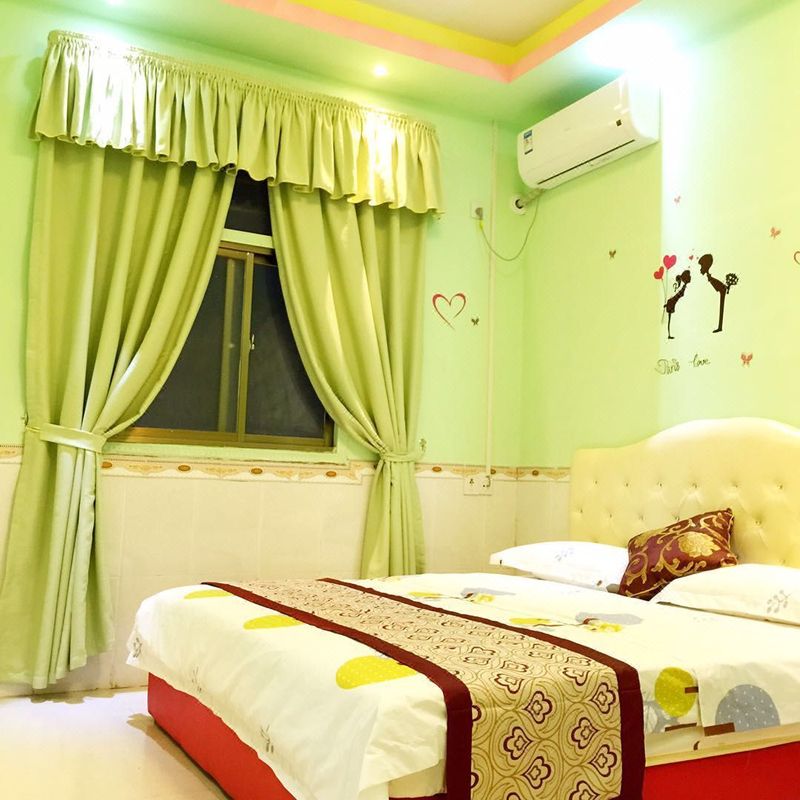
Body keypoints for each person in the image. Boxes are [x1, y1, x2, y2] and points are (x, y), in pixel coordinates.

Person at [699, 253, 727, 333]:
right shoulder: (709, 277)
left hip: (722, 290)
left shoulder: (710, 277)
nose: (700, 269)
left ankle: (720, 327)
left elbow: (720, 287)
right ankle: (720, 327)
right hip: (721, 289)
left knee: (721, 306)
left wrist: (710, 278)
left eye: (701, 266)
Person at [664, 269, 691, 340]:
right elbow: (677, 296)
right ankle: (669, 334)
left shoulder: (681, 287)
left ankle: (669, 334)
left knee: (669, 320)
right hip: (671, 303)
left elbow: (676, 296)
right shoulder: (681, 287)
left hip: (671, 302)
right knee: (669, 320)